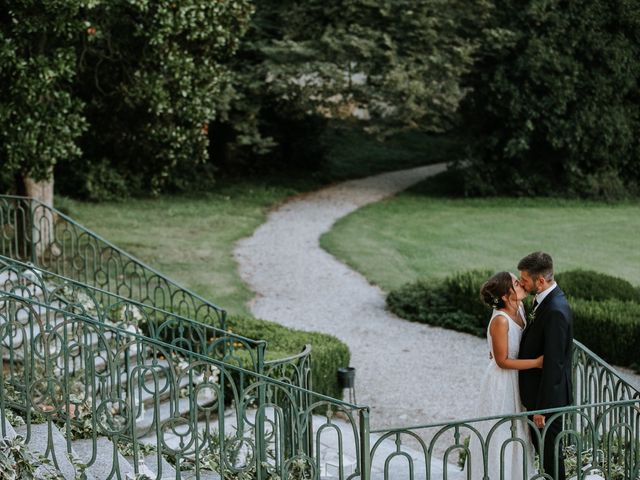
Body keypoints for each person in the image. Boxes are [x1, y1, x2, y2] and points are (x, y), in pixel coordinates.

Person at [467, 271, 541, 480]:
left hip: (517, 377)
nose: (522, 285)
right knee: (502, 431)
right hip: (503, 381)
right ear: (506, 295)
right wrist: (537, 363)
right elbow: (502, 360)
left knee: (518, 431)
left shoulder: (519, 307)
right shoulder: (500, 320)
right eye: (516, 283)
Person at [518, 252, 573, 480]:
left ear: (540, 281)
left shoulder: (555, 311)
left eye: (525, 280)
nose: (521, 284)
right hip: (540, 398)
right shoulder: (544, 301)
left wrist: (542, 408)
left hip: (547, 401)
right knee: (545, 452)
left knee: (551, 456)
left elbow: (554, 364)